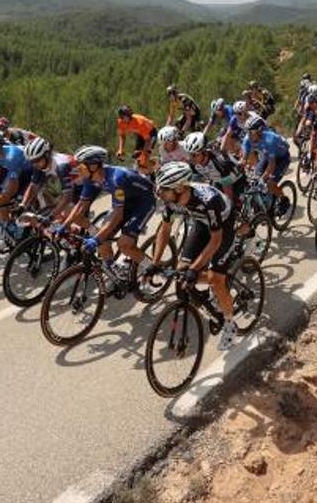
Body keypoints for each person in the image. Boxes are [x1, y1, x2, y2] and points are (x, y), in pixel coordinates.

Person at [151, 162, 239, 350]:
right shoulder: (172, 201)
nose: (160, 194)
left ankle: (230, 324)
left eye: (163, 190)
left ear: (179, 188)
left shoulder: (208, 201)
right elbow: (164, 231)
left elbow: (215, 240)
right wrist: (154, 263)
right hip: (200, 224)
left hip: (223, 226)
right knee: (181, 274)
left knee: (215, 279)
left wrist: (194, 269)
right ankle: (204, 298)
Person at [60, 146, 156, 282]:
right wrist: (63, 227)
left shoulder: (116, 179)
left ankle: (152, 267)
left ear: (93, 166)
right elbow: (81, 206)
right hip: (126, 201)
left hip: (144, 202)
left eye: (80, 166)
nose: (77, 170)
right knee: (101, 237)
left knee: (124, 244)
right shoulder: (90, 179)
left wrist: (96, 239)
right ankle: (113, 267)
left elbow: (118, 216)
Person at [240, 113, 291, 210]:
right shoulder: (248, 139)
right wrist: (240, 166)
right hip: (267, 156)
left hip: (282, 158)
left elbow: (272, 165)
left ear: (259, 131)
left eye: (251, 132)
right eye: (247, 132)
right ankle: (265, 200)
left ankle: (283, 199)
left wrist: (263, 179)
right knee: (255, 178)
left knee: (269, 183)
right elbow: (244, 158)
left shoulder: (270, 139)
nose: (249, 135)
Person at [182, 131, 246, 204]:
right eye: (189, 154)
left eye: (194, 155)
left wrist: (230, 204)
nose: (191, 158)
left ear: (204, 152)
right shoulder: (194, 163)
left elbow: (227, 188)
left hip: (236, 181)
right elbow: (194, 182)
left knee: (233, 205)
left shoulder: (219, 162)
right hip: (218, 181)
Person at [115, 105, 157, 175]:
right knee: (138, 158)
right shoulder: (120, 122)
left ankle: (153, 172)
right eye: (122, 117)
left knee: (144, 158)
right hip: (141, 135)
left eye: (128, 116)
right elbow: (122, 136)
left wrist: (143, 153)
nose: (125, 120)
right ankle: (147, 169)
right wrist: (120, 150)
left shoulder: (139, 122)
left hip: (151, 134)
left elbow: (148, 140)